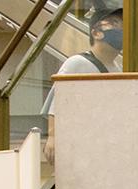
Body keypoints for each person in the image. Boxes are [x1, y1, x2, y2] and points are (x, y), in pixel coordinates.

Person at [41, 9, 123, 162]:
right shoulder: (76, 63)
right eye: (114, 23)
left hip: (106, 146)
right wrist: (53, 136)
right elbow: (58, 103)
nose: (121, 30)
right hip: (80, 147)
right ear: (96, 33)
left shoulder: (119, 69)